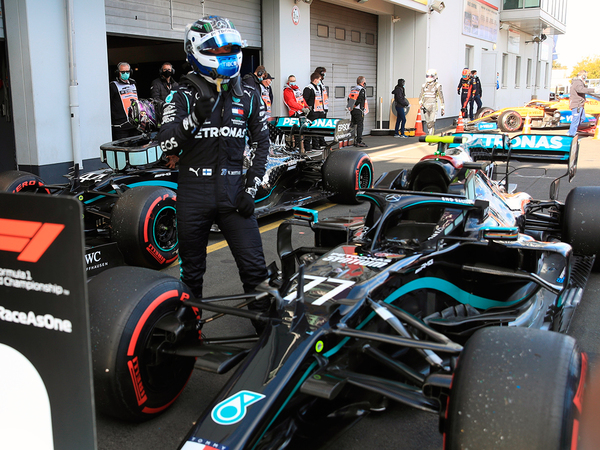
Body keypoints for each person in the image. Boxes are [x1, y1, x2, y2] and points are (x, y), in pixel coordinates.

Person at [156, 15, 270, 332]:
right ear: (195, 51)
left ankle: (268, 339)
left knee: (255, 269)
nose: (225, 57)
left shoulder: (248, 93)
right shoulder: (180, 94)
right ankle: (190, 335)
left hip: (235, 192)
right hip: (193, 191)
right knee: (191, 272)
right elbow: (165, 143)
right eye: (217, 52)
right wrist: (193, 119)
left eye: (230, 50)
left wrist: (251, 188)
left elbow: (263, 141)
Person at [109, 61, 140, 140]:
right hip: (121, 125)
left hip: (134, 124)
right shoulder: (113, 85)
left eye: (127, 71)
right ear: (117, 73)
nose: (125, 73)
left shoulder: (133, 84)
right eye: (123, 72)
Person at [418, 68, 445, 138]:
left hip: (433, 105)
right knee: (427, 123)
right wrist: (420, 103)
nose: (429, 78)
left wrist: (442, 107)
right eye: (427, 76)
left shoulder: (438, 85)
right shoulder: (424, 85)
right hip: (425, 106)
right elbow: (421, 95)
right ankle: (430, 133)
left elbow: (441, 97)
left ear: (434, 77)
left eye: (431, 76)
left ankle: (431, 136)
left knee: (431, 122)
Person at [568, 70, 595, 137]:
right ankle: (571, 133)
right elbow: (580, 90)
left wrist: (584, 99)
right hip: (577, 104)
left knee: (582, 118)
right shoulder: (578, 82)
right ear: (583, 76)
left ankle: (572, 130)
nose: (586, 77)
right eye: (585, 76)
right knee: (576, 119)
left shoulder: (578, 82)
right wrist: (593, 90)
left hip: (579, 104)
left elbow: (578, 93)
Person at [303, 72, 325, 151]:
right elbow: (305, 100)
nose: (320, 81)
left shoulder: (319, 87)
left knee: (317, 129)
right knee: (310, 130)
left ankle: (316, 145)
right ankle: (307, 147)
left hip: (319, 111)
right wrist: (308, 109)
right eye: (319, 79)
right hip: (312, 112)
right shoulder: (308, 88)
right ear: (315, 80)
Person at [347, 76, 368, 147]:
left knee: (353, 125)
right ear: (362, 82)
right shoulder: (362, 90)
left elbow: (349, 98)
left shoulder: (353, 89)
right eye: (364, 82)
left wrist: (350, 107)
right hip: (358, 110)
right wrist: (354, 106)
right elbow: (359, 100)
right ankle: (359, 141)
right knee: (360, 125)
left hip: (353, 111)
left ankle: (351, 140)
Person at [315, 67, 329, 147]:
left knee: (322, 126)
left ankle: (322, 141)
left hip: (323, 107)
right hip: (319, 109)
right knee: (319, 126)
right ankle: (318, 142)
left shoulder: (321, 83)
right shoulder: (317, 84)